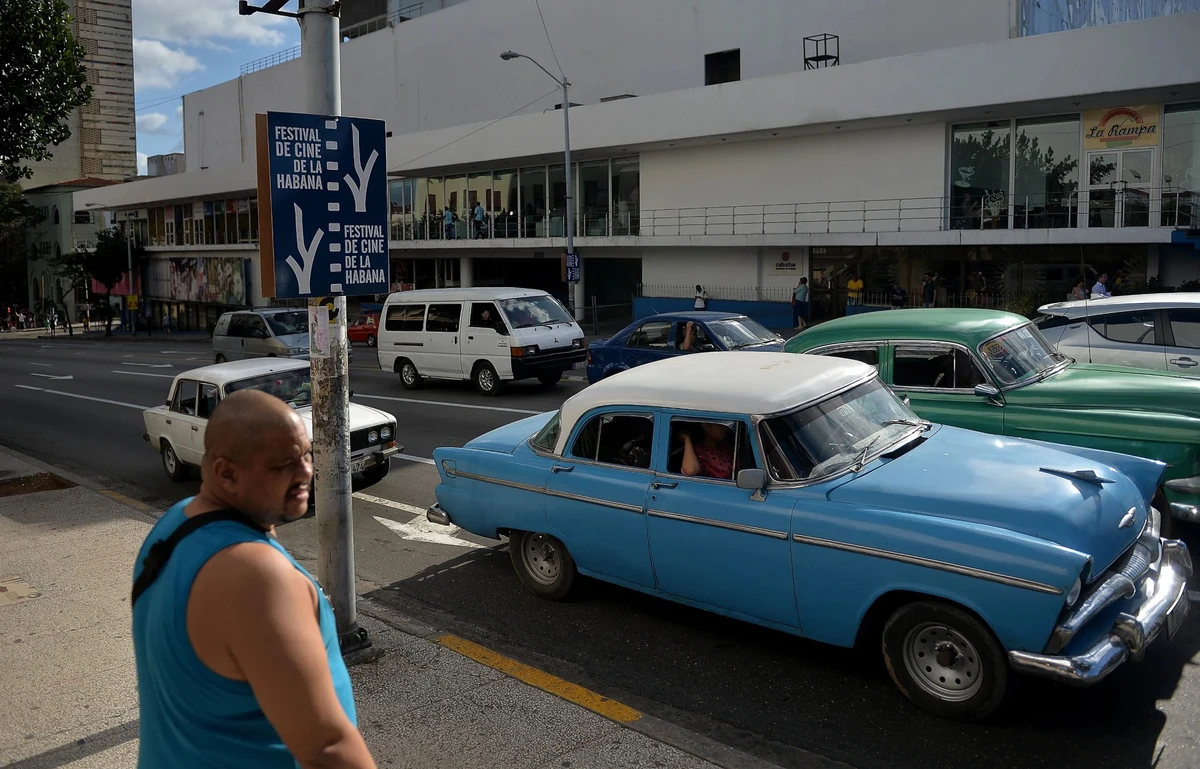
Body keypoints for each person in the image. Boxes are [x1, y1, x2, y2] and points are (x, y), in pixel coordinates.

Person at [131, 390, 376, 769]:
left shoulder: (172, 526)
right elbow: (327, 748)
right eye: (282, 465)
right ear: (227, 473)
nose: (306, 473)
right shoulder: (257, 577)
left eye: (307, 455)